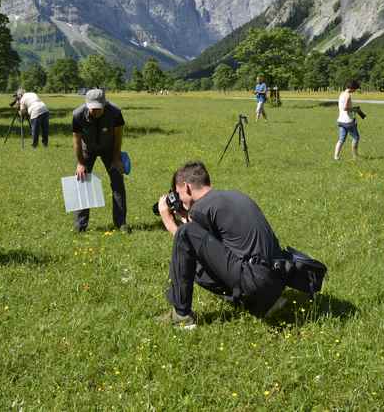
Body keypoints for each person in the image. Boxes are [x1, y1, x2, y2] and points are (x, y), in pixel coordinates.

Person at [156, 161, 286, 328]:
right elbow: (217, 245)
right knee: (191, 238)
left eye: (178, 193)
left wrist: (168, 221)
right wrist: (188, 217)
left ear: (187, 187)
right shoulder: (233, 196)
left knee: (185, 236)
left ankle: (182, 316)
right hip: (278, 279)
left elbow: (188, 244)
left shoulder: (201, 208)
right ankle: (261, 304)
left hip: (255, 281)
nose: (179, 199)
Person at [72, 88, 128, 233]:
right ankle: (80, 226)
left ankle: (121, 223)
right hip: (87, 149)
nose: (95, 111)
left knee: (117, 182)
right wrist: (80, 163)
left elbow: (118, 137)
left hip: (109, 148)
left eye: (99, 108)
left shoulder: (115, 112)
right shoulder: (78, 115)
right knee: (82, 182)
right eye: (92, 108)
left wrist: (116, 159)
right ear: (87, 104)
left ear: (104, 104)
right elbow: (77, 141)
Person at [334, 79, 360, 160]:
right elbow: (345, 108)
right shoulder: (348, 95)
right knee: (356, 138)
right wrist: (354, 109)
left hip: (340, 120)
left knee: (341, 139)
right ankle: (355, 156)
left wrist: (352, 108)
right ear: (352, 88)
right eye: (355, 89)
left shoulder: (341, 94)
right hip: (348, 121)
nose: (355, 91)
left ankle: (336, 157)